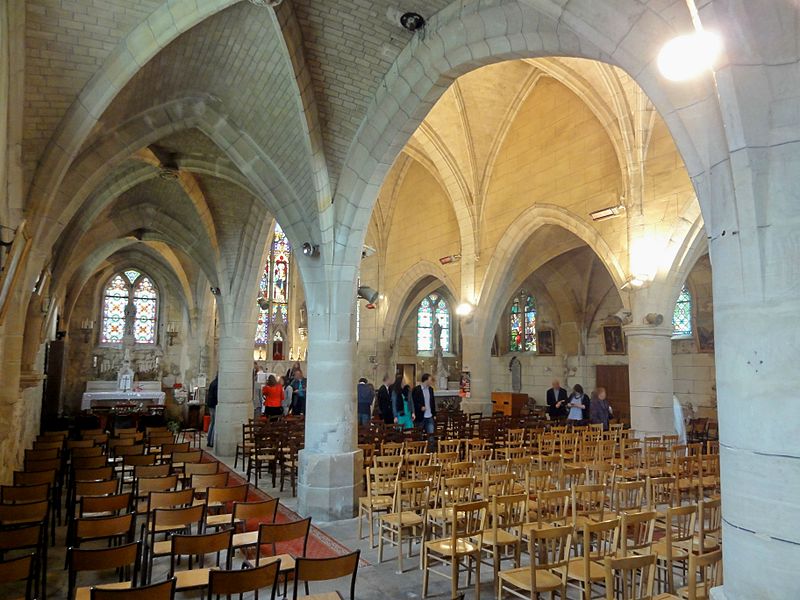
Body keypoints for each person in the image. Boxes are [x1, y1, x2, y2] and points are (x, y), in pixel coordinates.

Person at [206, 375, 218, 448]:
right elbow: (217, 396)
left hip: (211, 405)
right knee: (215, 423)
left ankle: (209, 440)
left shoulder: (213, 382)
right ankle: (212, 442)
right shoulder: (217, 384)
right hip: (214, 405)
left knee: (212, 422)